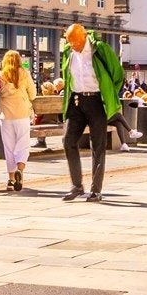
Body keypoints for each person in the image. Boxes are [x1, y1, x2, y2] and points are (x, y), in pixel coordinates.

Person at [59, 23, 125, 202]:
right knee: (68, 141)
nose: (73, 46)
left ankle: (96, 190)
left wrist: (109, 95)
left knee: (97, 145)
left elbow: (117, 74)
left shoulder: (100, 49)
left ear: (84, 36)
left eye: (75, 43)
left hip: (96, 101)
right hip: (76, 101)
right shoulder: (68, 52)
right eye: (69, 42)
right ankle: (77, 186)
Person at [0, 49, 37, 192]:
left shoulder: (0, 76)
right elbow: (32, 95)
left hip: (6, 116)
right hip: (22, 114)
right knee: (23, 143)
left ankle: (11, 179)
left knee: (9, 147)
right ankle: (20, 169)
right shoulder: (25, 74)